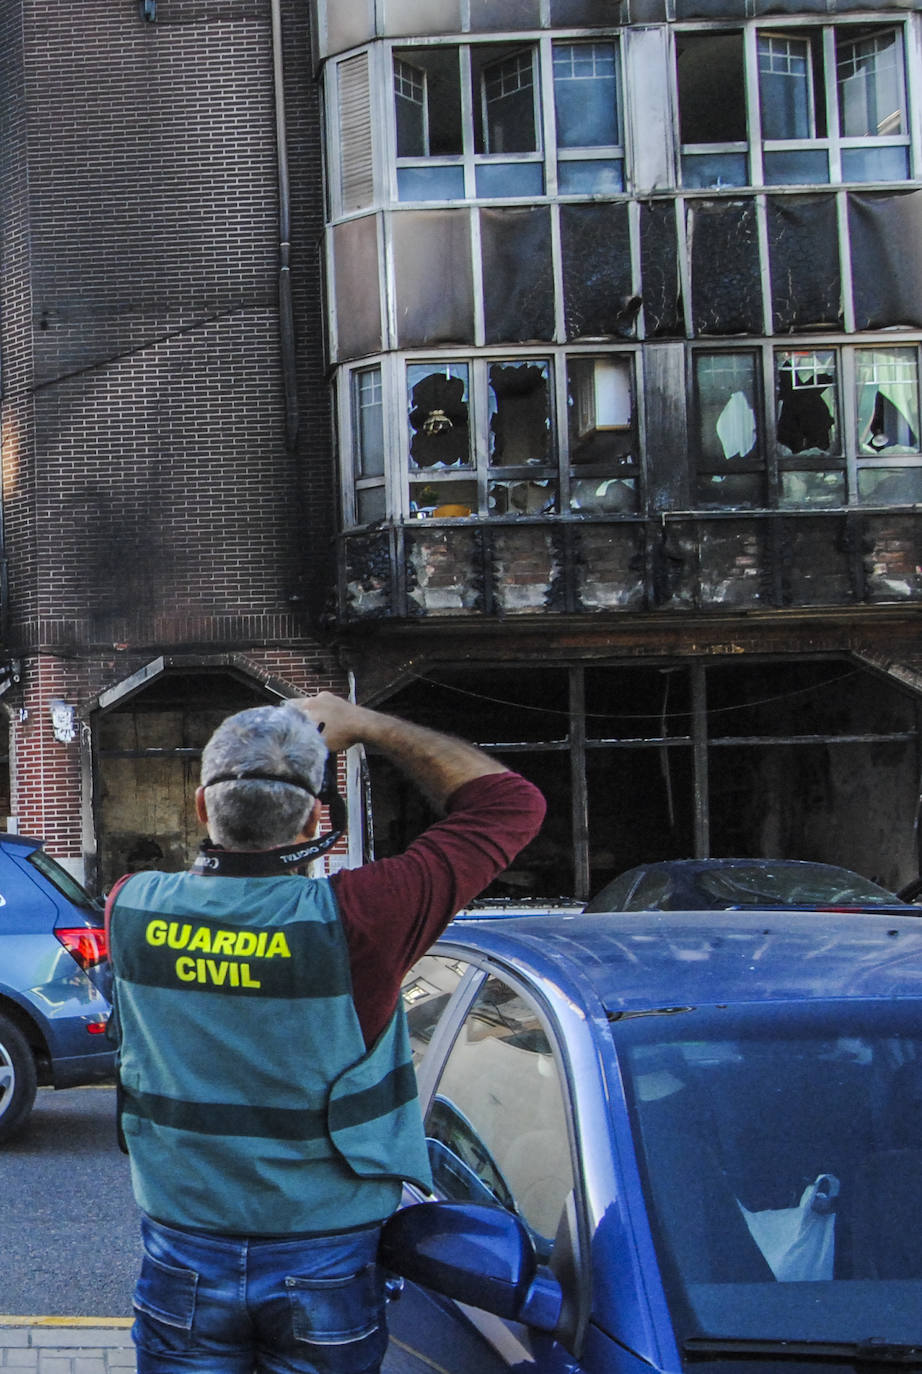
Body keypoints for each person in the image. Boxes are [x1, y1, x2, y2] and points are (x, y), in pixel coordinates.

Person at [106, 691, 546, 1374]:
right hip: (326, 1250)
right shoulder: (367, 916)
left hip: (183, 1245)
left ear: (201, 808)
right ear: (317, 816)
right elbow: (511, 804)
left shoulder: (130, 905)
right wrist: (368, 726)